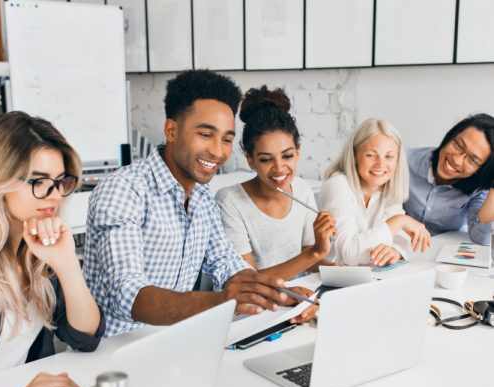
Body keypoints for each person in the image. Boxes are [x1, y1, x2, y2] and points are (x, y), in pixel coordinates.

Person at [84, 70, 308, 337]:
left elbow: (227, 263)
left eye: (226, 139)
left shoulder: (202, 197)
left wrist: (275, 292)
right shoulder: (124, 189)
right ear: (171, 131)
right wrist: (224, 301)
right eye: (205, 134)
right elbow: (126, 293)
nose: (217, 151)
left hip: (175, 342)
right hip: (113, 351)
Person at [0, 112, 104, 387]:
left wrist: (67, 264)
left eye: (59, 182)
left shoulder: (35, 252)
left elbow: (86, 338)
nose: (54, 195)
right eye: (38, 182)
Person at [215, 86, 336, 281]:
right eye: (265, 159)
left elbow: (307, 256)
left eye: (287, 156)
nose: (279, 168)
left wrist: (336, 268)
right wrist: (316, 252)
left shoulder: (302, 190)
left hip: (299, 298)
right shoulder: (229, 201)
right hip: (255, 305)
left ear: (298, 152)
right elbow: (247, 280)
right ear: (250, 160)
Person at [319, 118, 430, 266]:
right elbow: (350, 254)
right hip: (334, 280)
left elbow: (401, 238)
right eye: (371, 155)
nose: (381, 165)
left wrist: (395, 251)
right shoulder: (337, 185)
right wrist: (399, 221)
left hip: (370, 276)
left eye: (389, 156)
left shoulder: (387, 186)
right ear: (354, 156)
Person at [404, 113, 494, 245]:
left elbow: (480, 237)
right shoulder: (404, 160)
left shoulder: (478, 188)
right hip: (395, 248)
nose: (457, 160)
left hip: (440, 258)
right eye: (458, 145)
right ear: (450, 136)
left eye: (472, 161)